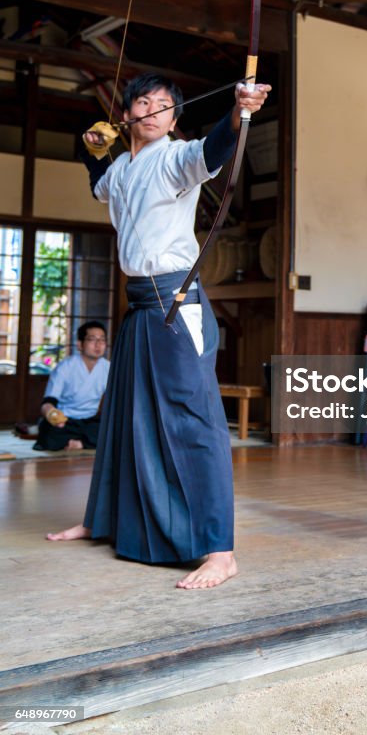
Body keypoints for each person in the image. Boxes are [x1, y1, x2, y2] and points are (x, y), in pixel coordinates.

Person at [46, 72, 271, 589]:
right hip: (140, 308)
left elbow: (213, 149)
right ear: (126, 116)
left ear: (173, 119)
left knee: (197, 424)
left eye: (162, 105)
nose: (150, 110)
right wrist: (90, 147)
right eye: (141, 102)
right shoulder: (124, 166)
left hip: (175, 303)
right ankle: (100, 520)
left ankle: (220, 550)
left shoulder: (177, 157)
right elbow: (98, 180)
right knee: (125, 419)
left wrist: (239, 111)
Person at [34, 321, 109, 452]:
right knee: (48, 433)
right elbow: (48, 402)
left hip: (90, 421)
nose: (98, 344)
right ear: (80, 344)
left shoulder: (108, 367)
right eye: (92, 339)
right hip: (65, 420)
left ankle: (78, 443)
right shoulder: (65, 367)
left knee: (113, 429)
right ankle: (84, 442)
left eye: (102, 340)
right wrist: (52, 414)